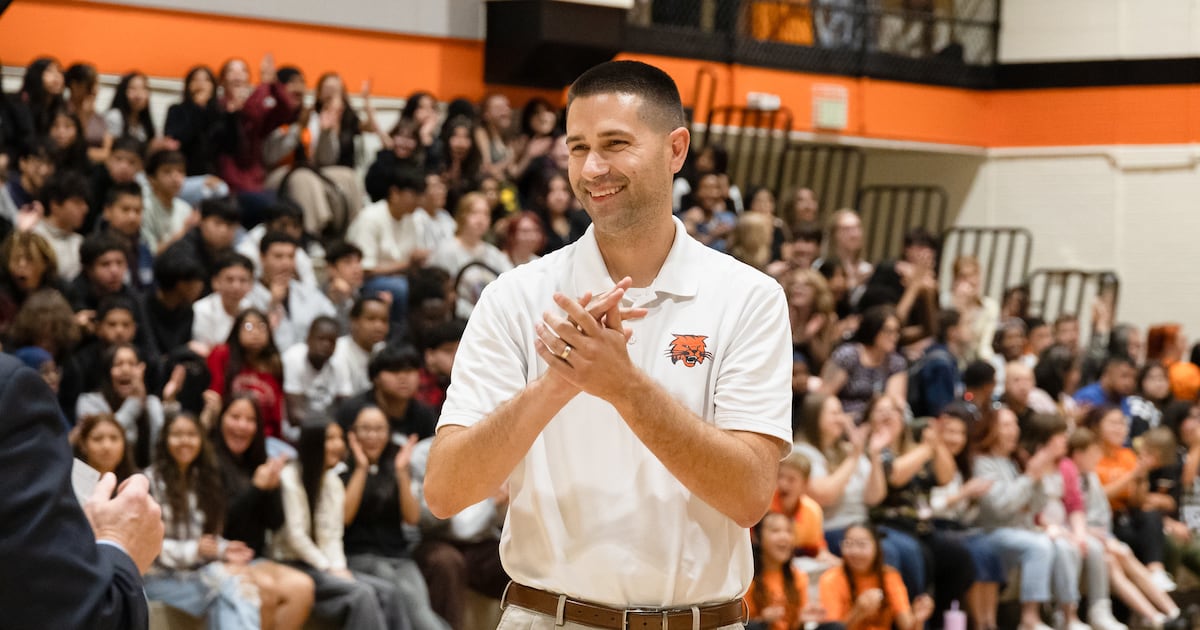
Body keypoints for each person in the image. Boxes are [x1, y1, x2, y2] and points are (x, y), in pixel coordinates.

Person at [425, 60, 791, 627]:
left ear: (676, 149)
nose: (592, 167)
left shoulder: (749, 298)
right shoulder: (516, 296)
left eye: (615, 144)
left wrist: (623, 387)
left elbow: (749, 495)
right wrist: (558, 383)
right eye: (577, 148)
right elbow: (446, 490)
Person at [0, 352, 163, 629]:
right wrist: (117, 543)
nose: (107, 445)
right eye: (99, 438)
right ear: (83, 444)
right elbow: (69, 612)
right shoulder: (11, 387)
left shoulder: (139, 481)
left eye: (114, 438)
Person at [271, 420, 402, 630]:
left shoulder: (333, 482)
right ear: (312, 443)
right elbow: (295, 537)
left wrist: (339, 568)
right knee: (362, 594)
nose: (338, 445)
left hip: (323, 565)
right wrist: (328, 568)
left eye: (339, 438)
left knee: (388, 592)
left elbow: (333, 535)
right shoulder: (289, 477)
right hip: (291, 563)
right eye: (330, 439)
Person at [143, 411, 261, 629]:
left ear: (201, 440)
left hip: (195, 575)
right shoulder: (149, 481)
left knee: (232, 593)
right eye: (177, 434)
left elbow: (206, 539)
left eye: (191, 434)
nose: (185, 441)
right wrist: (196, 549)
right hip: (158, 578)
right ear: (165, 439)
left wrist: (223, 549)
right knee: (231, 584)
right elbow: (146, 545)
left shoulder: (204, 480)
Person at [211, 395, 316, 629]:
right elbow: (222, 524)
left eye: (250, 420)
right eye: (235, 417)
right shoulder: (209, 461)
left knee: (303, 588)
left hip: (255, 557)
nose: (241, 425)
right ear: (221, 420)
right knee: (266, 591)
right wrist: (255, 489)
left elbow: (275, 522)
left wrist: (271, 488)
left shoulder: (258, 462)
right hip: (219, 554)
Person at [343, 406, 449, 630]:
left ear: (388, 434)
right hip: (361, 556)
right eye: (366, 429)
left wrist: (402, 473)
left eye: (379, 429)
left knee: (420, 609)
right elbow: (344, 518)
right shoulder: (344, 470)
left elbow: (412, 518)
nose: (373, 436)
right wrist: (362, 468)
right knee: (410, 605)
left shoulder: (396, 466)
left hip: (399, 556)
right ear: (353, 434)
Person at [817, 522, 934, 630]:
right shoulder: (831, 579)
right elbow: (832, 629)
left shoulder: (889, 575)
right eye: (848, 544)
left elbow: (906, 626)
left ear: (876, 547)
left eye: (862, 545)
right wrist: (858, 612)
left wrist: (918, 619)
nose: (855, 551)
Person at [745, 512, 838, 630]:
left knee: (834, 627)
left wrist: (803, 618)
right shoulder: (746, 579)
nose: (784, 537)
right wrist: (763, 619)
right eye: (775, 530)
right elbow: (741, 625)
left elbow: (798, 626)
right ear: (756, 537)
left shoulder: (799, 576)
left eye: (789, 531)